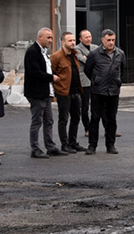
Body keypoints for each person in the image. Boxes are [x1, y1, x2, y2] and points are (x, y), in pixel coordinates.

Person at [24, 27, 66, 158]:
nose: (51, 40)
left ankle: (50, 146)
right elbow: (34, 72)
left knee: (49, 120)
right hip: (36, 93)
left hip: (45, 92)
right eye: (48, 37)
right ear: (39, 37)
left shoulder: (44, 52)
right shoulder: (33, 52)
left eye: (52, 38)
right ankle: (35, 149)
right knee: (37, 121)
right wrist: (51, 77)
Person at [84, 29, 127, 154]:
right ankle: (92, 145)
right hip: (98, 91)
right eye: (108, 40)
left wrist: (118, 81)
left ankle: (110, 145)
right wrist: (96, 80)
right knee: (95, 118)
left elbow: (122, 70)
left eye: (113, 40)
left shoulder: (120, 54)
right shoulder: (94, 54)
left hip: (113, 91)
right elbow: (88, 70)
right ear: (102, 40)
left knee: (111, 119)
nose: (111, 43)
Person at [50, 32, 87, 154]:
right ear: (63, 42)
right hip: (64, 92)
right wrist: (56, 88)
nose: (72, 43)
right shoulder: (57, 56)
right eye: (70, 40)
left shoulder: (74, 55)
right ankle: (64, 144)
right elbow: (51, 73)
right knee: (63, 119)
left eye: (73, 40)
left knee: (76, 118)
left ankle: (73, 142)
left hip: (76, 91)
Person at [74, 30, 97, 136]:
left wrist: (88, 58)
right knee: (85, 106)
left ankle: (109, 129)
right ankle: (87, 128)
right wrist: (91, 59)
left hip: (96, 80)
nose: (88, 39)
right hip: (84, 82)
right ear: (80, 39)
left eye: (89, 36)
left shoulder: (95, 47)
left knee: (101, 106)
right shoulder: (77, 49)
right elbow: (84, 61)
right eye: (86, 37)